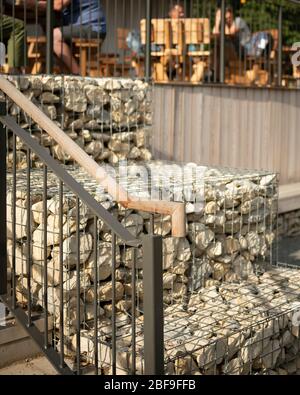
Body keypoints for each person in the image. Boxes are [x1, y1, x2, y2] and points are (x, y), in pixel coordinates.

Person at [53, 0, 106, 75]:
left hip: (93, 28)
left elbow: (58, 5)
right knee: (51, 38)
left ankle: (77, 74)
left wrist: (35, 4)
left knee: (54, 36)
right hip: (81, 28)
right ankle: (74, 72)